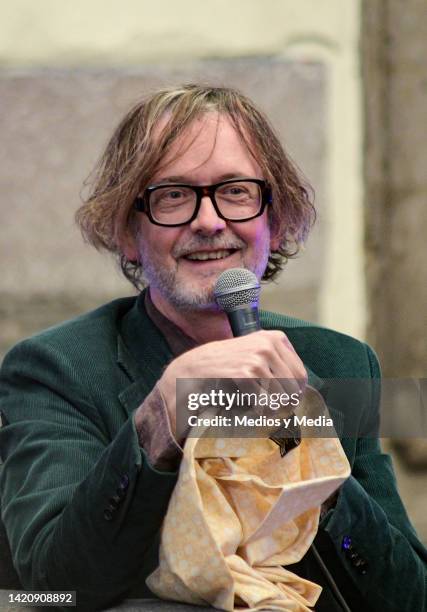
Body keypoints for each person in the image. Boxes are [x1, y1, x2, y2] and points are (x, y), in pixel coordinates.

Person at [0, 84, 426, 612]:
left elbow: (408, 598)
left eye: (236, 191)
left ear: (276, 217)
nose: (209, 220)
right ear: (129, 233)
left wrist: (313, 459)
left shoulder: (342, 363)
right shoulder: (53, 368)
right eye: (173, 195)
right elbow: (50, 586)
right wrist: (164, 413)